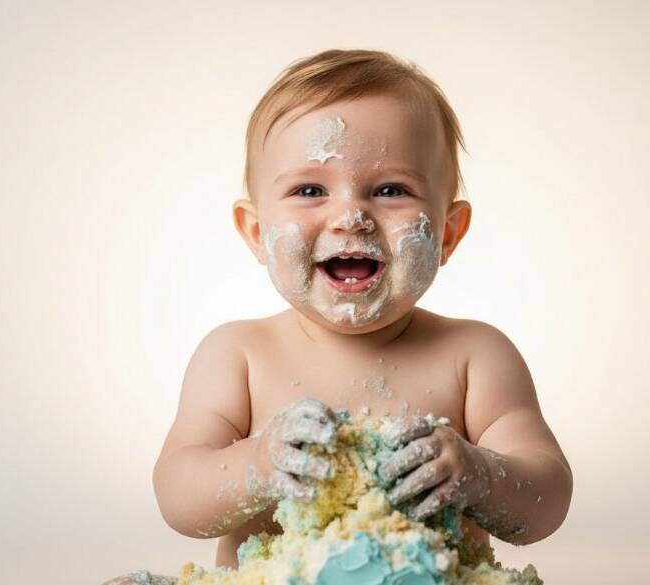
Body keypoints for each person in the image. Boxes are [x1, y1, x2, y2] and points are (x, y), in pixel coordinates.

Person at [151, 48, 573, 573]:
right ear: (257, 234)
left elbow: (546, 501)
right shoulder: (238, 355)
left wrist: (479, 474)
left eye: (390, 190)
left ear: (447, 232)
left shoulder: (476, 356)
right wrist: (258, 465)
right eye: (310, 190)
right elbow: (179, 498)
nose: (351, 216)